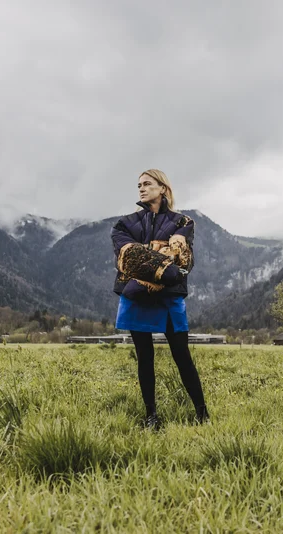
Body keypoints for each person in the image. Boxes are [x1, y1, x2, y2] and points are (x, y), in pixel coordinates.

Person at [111, 169, 209, 430]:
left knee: (182, 356)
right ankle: (151, 416)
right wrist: (162, 260)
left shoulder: (183, 222)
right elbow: (127, 257)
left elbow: (182, 259)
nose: (141, 189)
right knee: (144, 357)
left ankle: (202, 414)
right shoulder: (125, 224)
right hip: (136, 298)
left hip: (168, 298)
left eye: (147, 184)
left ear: (162, 188)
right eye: (139, 185)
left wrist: (148, 259)